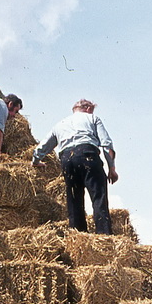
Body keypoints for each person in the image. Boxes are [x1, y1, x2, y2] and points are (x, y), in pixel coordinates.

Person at [32, 99, 118, 234]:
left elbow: (42, 147)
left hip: (67, 160)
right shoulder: (92, 118)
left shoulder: (60, 124)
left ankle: (77, 237)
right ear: (89, 108)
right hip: (87, 154)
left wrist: (36, 161)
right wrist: (112, 169)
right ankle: (104, 237)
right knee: (98, 196)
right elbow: (107, 144)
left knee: (74, 200)